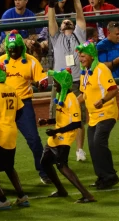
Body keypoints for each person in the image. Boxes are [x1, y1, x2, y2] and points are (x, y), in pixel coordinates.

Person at [0, 30, 49, 183]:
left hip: (23, 105)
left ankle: (44, 171)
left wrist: (42, 83)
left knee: (33, 139)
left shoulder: (31, 61)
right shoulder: (0, 62)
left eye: (16, 49)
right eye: (10, 49)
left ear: (22, 47)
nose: (13, 52)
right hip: (4, 106)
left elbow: (42, 79)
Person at [37, 69, 96, 202]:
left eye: (56, 83)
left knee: (62, 165)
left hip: (65, 137)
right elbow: (62, 119)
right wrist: (47, 121)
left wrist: (56, 131)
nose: (54, 85)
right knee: (45, 162)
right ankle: (61, 190)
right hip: (56, 136)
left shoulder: (72, 100)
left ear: (63, 83)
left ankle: (87, 195)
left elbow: (76, 124)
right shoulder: (60, 97)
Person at [0, 59, 30, 210]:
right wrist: (10, 120)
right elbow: (21, 110)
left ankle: (2, 200)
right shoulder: (12, 89)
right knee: (9, 166)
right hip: (11, 132)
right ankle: (22, 197)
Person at [47, 0, 89, 159]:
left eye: (68, 21)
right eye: (63, 22)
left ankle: (79, 150)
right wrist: (51, 4)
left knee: (78, 119)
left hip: (77, 82)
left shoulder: (79, 34)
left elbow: (79, 14)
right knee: (57, 117)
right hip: (59, 84)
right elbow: (51, 20)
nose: (66, 22)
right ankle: (57, 148)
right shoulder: (56, 37)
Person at [76, 41, 119, 189]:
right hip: (93, 117)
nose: (80, 59)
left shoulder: (101, 69)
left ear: (91, 55)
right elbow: (84, 95)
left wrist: (102, 100)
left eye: (83, 56)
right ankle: (102, 177)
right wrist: (71, 103)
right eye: (80, 56)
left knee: (99, 142)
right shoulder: (85, 73)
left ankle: (110, 176)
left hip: (107, 112)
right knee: (93, 146)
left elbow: (113, 90)